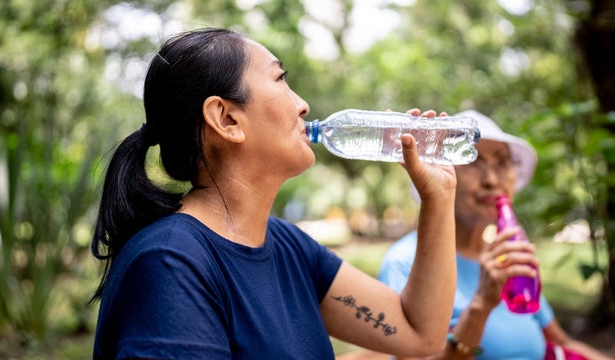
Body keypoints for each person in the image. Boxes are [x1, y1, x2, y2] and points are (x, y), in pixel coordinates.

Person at [89, 28, 460, 360]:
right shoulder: (170, 262)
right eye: (280, 79)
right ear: (227, 119)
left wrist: (438, 196)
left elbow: (419, 334)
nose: (303, 105)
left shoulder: (288, 247)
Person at [346, 110, 613, 360]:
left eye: (502, 162)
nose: (492, 181)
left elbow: (562, 342)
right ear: (442, 173)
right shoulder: (406, 260)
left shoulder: (506, 255)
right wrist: (482, 304)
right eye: (473, 161)